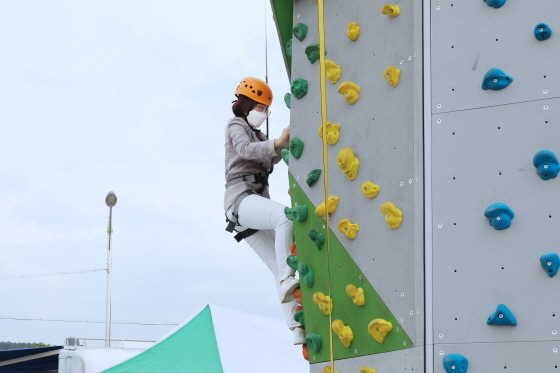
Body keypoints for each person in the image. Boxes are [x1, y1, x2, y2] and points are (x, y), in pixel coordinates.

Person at [224, 77, 305, 344]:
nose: (264, 114)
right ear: (248, 104)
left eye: (266, 110)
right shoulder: (236, 125)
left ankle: (295, 326)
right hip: (241, 201)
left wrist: (282, 142)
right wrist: (277, 142)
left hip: (251, 206)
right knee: (284, 217)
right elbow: (245, 150)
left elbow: (268, 156)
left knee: (275, 265)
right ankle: (286, 280)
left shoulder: (259, 135)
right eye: (261, 108)